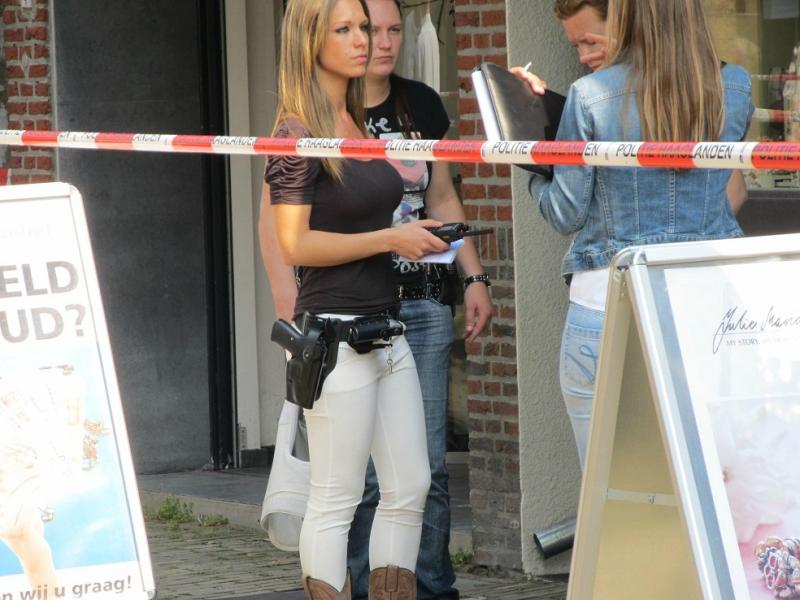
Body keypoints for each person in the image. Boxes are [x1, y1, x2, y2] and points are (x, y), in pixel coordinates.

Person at [261, 0, 452, 597]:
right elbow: (294, 242)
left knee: (411, 486)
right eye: (343, 29)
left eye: (363, 27)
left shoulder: (356, 121)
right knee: (336, 497)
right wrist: (391, 238)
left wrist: (417, 237)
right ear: (310, 40)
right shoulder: (294, 132)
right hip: (335, 337)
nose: (362, 39)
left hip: (387, 328)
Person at [521, 0, 754, 469]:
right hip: (708, 305)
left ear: (627, 18)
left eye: (590, 41)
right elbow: (729, 193)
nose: (584, 54)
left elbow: (565, 213)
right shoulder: (735, 86)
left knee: (609, 483)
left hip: (608, 302)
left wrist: (527, 154)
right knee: (708, 478)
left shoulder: (590, 96)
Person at [346, 2, 493, 599]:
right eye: (369, 30)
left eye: (392, 30)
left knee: (427, 465)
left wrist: (474, 278)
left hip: (425, 301)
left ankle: (432, 588)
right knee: (367, 474)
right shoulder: (326, 109)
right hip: (356, 306)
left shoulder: (422, 105)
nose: (383, 42)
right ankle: (366, 587)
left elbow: (443, 195)